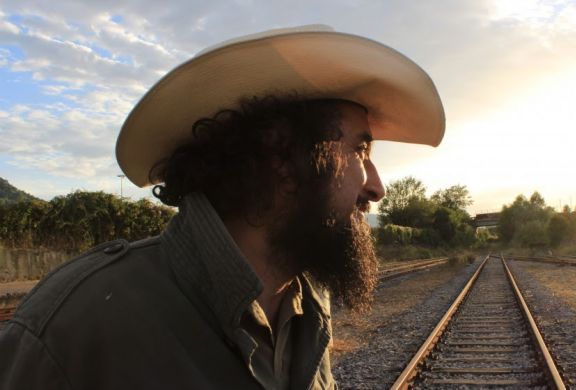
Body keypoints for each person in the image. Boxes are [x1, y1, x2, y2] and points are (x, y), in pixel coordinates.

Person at [0, 25, 445, 389]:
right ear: (282, 158)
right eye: (360, 151)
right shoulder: (76, 328)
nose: (377, 187)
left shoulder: (306, 303)